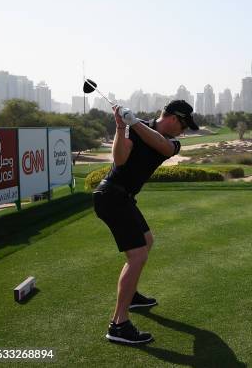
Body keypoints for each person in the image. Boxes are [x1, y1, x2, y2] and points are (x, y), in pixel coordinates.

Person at [93, 100, 198, 344]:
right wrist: (120, 127)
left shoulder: (170, 142)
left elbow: (161, 145)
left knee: (147, 241)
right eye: (183, 126)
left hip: (124, 197)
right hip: (110, 196)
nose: (183, 132)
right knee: (137, 255)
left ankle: (131, 296)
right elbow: (119, 160)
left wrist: (133, 121)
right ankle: (118, 324)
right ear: (173, 118)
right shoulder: (133, 128)